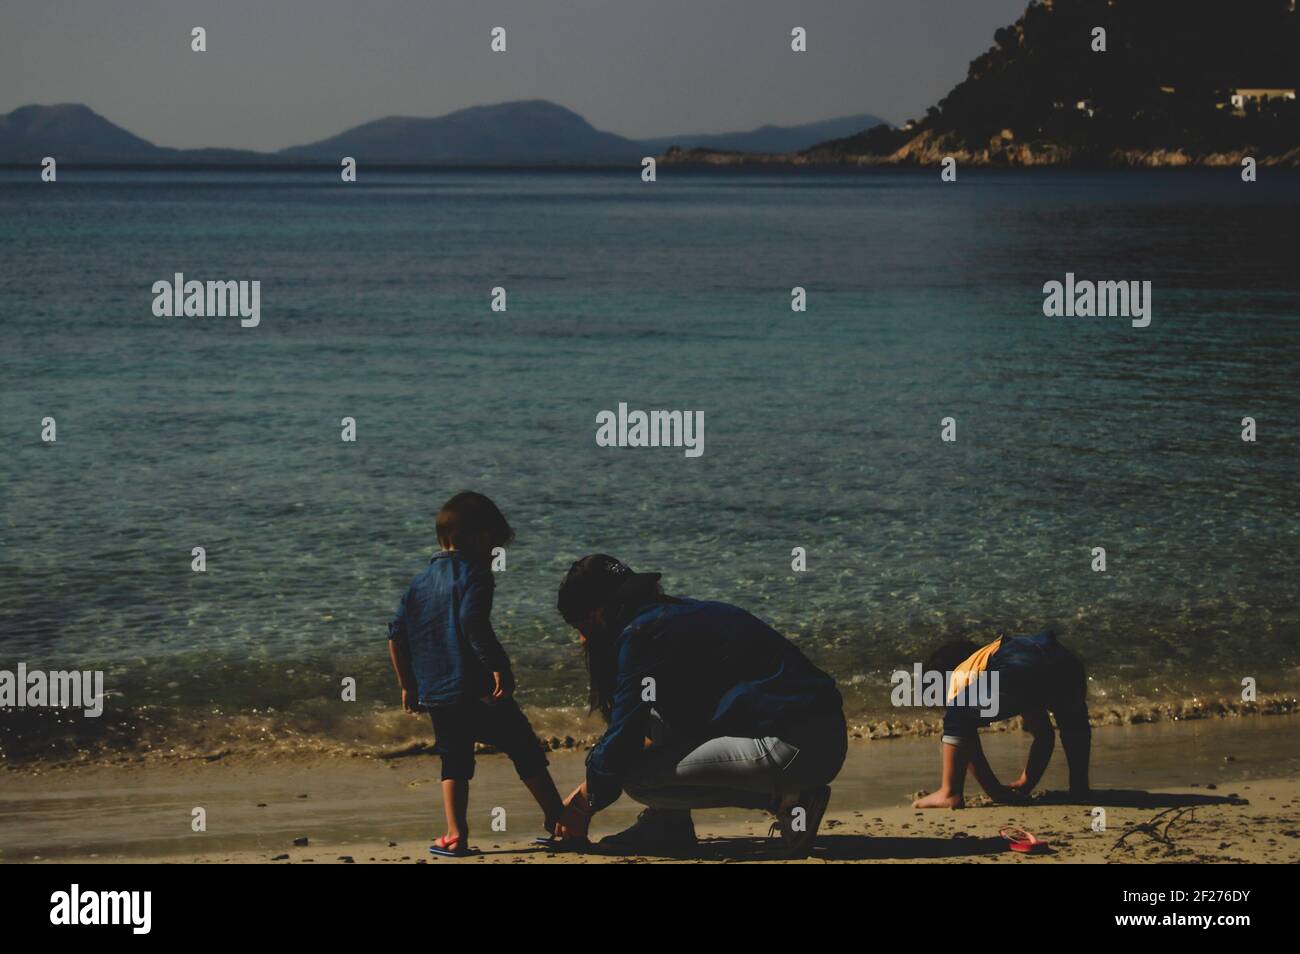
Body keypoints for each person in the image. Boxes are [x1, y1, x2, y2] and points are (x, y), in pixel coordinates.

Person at [550, 555, 847, 857]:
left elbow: (624, 738)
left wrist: (584, 803)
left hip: (798, 745)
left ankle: (790, 800)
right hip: (820, 737)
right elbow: (665, 720)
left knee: (635, 777)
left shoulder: (642, 635)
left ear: (601, 611)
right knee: (653, 719)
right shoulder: (670, 616)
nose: (582, 639)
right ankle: (667, 824)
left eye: (581, 624)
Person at [387, 491, 564, 856]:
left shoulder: (419, 582)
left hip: (438, 692)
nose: (494, 554)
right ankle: (559, 821)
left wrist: (408, 685)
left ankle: (455, 835)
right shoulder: (476, 574)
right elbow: (472, 623)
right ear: (480, 539)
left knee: (454, 759)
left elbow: (396, 636)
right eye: (494, 545)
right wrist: (499, 665)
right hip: (478, 687)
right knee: (522, 746)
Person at [912, 630, 1091, 809]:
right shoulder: (993, 655)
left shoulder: (962, 674)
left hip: (1020, 664)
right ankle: (1079, 786)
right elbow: (1044, 736)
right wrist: (1025, 783)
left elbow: (964, 737)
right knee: (1073, 723)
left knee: (957, 715)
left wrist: (995, 791)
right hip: (1065, 661)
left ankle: (949, 792)